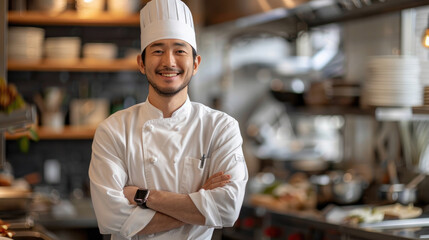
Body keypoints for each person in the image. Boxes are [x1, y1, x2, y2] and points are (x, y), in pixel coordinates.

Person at [88, 0, 248, 239]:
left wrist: (144, 196)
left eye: (180, 50)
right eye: (158, 50)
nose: (169, 62)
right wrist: (200, 206)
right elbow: (110, 218)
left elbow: (227, 210)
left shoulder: (221, 127)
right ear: (142, 63)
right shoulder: (112, 130)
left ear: (195, 64)